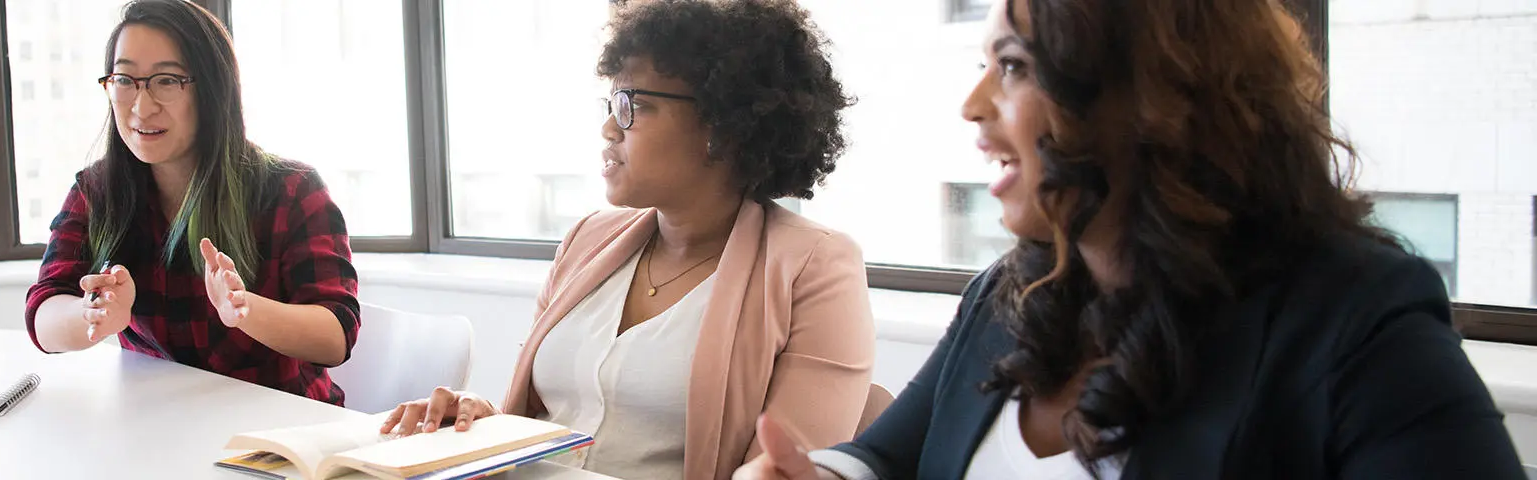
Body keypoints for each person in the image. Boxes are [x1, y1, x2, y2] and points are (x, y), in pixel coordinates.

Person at [736, 0, 1525, 478]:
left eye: (1012, 66)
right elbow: (890, 459)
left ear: (1156, 94)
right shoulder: (1014, 290)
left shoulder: (1355, 321)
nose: (973, 106)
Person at [377, 1, 874, 479]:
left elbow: (783, 472)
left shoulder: (815, 266)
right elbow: (549, 420)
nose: (608, 128)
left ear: (722, 127)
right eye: (610, 103)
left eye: (632, 105)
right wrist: (480, 424)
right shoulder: (587, 239)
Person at [23, 0, 361, 406]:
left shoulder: (291, 190)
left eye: (166, 81)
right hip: (161, 430)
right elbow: (44, 313)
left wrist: (245, 310)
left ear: (212, 89)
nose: (141, 107)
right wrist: (91, 315)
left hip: (279, 440)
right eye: (126, 80)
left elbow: (335, 336)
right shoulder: (97, 191)